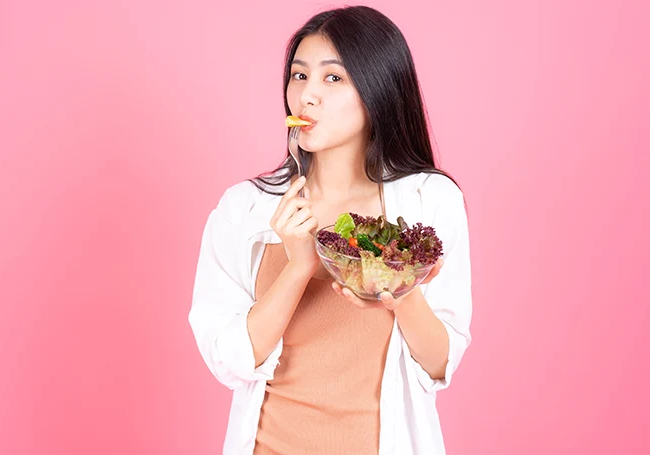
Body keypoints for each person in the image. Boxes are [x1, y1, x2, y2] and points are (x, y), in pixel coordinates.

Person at [189, 5, 472, 455]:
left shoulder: (429, 201)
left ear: (378, 89)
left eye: (333, 78)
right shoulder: (243, 209)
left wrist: (401, 291)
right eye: (299, 76)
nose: (307, 96)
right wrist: (297, 267)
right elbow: (232, 359)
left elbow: (438, 363)